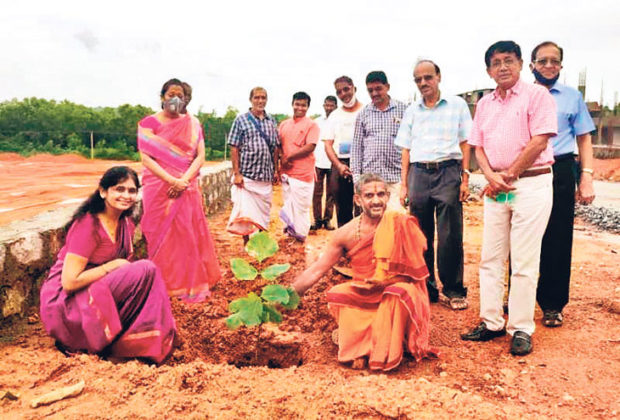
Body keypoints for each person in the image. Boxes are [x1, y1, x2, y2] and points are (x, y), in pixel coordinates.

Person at [461, 41, 557, 356]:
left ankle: (520, 328)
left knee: (524, 260)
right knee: (491, 256)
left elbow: (540, 139)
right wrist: (490, 176)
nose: (503, 67)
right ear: (488, 70)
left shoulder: (537, 96)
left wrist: (510, 174)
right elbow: (477, 146)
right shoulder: (485, 104)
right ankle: (491, 322)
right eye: (496, 63)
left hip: (529, 185)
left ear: (520, 64)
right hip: (496, 189)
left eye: (509, 61)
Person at [292, 173, 437, 371]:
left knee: (400, 293)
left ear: (388, 196)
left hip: (394, 289)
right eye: (369, 196)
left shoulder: (400, 223)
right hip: (365, 292)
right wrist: (288, 295)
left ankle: (376, 348)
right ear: (358, 199)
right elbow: (317, 270)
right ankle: (369, 345)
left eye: (381, 194)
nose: (376, 201)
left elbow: (414, 276)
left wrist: (384, 282)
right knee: (338, 294)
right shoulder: (346, 233)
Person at [39, 166, 177, 364]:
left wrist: (116, 268)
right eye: (119, 189)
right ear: (103, 192)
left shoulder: (125, 224)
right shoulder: (88, 225)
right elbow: (69, 282)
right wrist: (108, 267)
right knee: (147, 268)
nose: (126, 196)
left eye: (132, 191)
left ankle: (136, 341)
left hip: (94, 288)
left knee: (146, 276)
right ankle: (85, 340)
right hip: (65, 301)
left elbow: (126, 277)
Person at [395, 60, 472, 310]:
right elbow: (406, 149)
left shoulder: (457, 106)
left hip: (448, 171)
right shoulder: (412, 111)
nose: (423, 83)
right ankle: (425, 287)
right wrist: (404, 185)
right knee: (420, 234)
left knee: (450, 234)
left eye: (428, 77)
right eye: (418, 80)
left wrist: (465, 178)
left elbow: (465, 143)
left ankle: (453, 289)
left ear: (438, 77)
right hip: (418, 173)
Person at [530, 41, 596, 327]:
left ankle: (553, 304)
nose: (548, 66)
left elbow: (584, 137)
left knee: (557, 237)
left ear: (560, 65)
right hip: (528, 169)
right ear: (532, 64)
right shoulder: (522, 95)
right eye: (542, 60)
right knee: (522, 236)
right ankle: (519, 295)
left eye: (554, 61)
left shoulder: (572, 97)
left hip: (561, 168)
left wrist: (587, 176)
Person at [138, 78, 221, 302]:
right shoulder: (148, 123)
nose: (175, 99)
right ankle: (163, 284)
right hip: (158, 187)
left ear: (185, 99)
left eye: (180, 95)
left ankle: (189, 283)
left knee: (187, 234)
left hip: (186, 185)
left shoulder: (193, 124)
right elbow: (146, 158)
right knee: (161, 236)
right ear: (162, 97)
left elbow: (200, 156)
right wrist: (171, 181)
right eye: (170, 94)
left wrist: (182, 181)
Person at [226, 87, 280, 241]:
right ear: (251, 100)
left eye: (263, 98)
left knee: (263, 212)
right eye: (257, 98)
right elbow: (234, 147)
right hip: (248, 176)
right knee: (247, 214)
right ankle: (247, 243)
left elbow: (276, 147)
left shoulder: (271, 121)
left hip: (265, 176)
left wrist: (276, 170)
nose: (260, 101)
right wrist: (237, 174)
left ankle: (262, 244)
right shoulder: (241, 120)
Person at [351, 71, 407, 211]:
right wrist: (357, 179)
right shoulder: (363, 114)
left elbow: (410, 146)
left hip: (395, 179)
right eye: (370, 90)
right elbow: (356, 149)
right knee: (372, 224)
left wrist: (407, 181)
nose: (374, 93)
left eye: (378, 89)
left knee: (395, 220)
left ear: (387, 87)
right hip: (371, 181)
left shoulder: (404, 110)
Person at [323, 76, 364, 227]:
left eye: (346, 89)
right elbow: (328, 145)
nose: (344, 94)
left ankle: (363, 247)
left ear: (354, 88)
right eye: (339, 92)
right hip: (340, 166)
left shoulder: (366, 111)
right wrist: (339, 166)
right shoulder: (335, 116)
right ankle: (346, 247)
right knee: (343, 211)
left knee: (364, 209)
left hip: (364, 164)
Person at [278, 91, 320, 241]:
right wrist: (282, 158)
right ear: (292, 104)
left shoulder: (312, 125)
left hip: (303, 174)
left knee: (301, 208)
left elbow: (310, 146)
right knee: (288, 205)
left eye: (304, 105)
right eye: (297, 104)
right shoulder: (284, 124)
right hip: (287, 173)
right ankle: (290, 235)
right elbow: (279, 146)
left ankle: (301, 238)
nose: (300, 108)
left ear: (308, 107)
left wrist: (289, 157)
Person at [311, 95, 337, 231]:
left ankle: (327, 220)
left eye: (332, 105)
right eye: (327, 105)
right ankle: (317, 220)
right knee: (316, 192)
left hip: (332, 162)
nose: (329, 108)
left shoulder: (338, 121)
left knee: (331, 193)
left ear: (336, 106)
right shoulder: (316, 122)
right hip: (317, 161)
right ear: (323, 106)